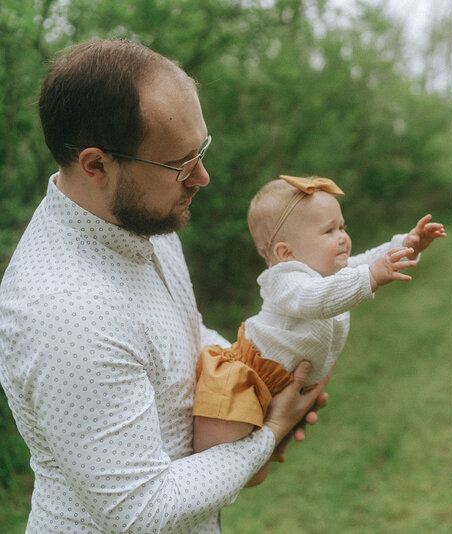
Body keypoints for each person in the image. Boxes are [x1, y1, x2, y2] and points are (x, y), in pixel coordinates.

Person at [0, 39, 327, 533]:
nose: (203, 176)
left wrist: (268, 378)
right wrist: (270, 431)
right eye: (179, 165)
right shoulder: (65, 311)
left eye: (202, 150)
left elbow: (183, 338)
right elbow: (142, 510)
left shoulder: (141, 219)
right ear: (97, 166)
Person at [192, 175, 446, 484]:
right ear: (287, 254)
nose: (342, 237)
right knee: (215, 465)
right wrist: (370, 277)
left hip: (280, 385)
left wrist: (406, 245)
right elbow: (317, 300)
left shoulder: (330, 271)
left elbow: (366, 260)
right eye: (329, 231)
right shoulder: (286, 280)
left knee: (253, 472)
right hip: (249, 376)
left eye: (343, 227)